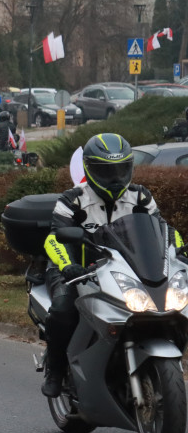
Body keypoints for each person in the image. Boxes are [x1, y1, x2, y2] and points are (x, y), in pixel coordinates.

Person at [40, 133, 184, 397]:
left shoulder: (140, 197)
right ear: (90, 169)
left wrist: (180, 252)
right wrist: (68, 266)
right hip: (78, 270)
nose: (116, 178)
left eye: (121, 169)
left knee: (173, 307)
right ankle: (56, 368)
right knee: (63, 310)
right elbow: (54, 238)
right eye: (107, 171)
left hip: (127, 269)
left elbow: (164, 231)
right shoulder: (73, 199)